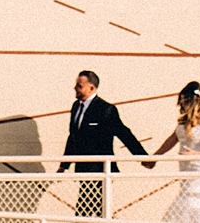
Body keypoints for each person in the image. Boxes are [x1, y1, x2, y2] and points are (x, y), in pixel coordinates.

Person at [58, 70, 146, 217]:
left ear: (91, 88)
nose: (75, 88)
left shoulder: (105, 109)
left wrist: (143, 157)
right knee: (98, 210)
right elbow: (73, 137)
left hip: (101, 168)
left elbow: (124, 134)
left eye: (79, 86)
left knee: (85, 210)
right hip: (84, 168)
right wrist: (64, 165)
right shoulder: (76, 107)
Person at [142, 82, 200, 223]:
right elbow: (173, 139)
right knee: (189, 197)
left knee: (195, 198)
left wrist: (197, 154)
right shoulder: (185, 120)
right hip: (185, 167)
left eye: (184, 102)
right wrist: (155, 157)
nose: (182, 106)